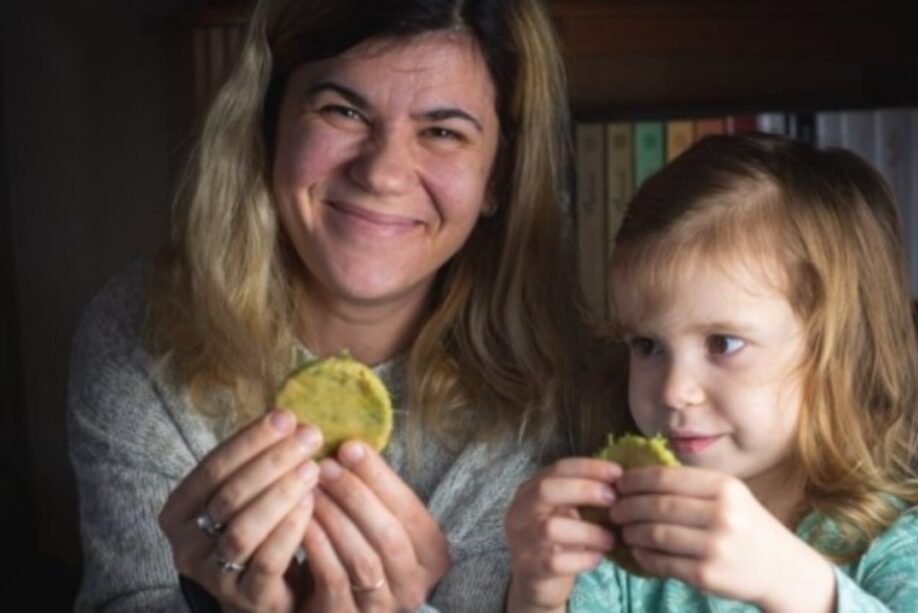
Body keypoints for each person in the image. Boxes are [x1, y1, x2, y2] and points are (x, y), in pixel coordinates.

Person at [67, 0, 576, 610]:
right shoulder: (141, 332)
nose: (383, 173)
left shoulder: (562, 388)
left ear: (498, 177)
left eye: (443, 132)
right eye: (343, 110)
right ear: (268, 124)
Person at [505, 133, 918, 612]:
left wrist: (795, 586)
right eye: (647, 345)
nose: (674, 391)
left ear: (836, 350)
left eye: (722, 343)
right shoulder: (616, 539)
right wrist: (536, 596)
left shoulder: (896, 543)